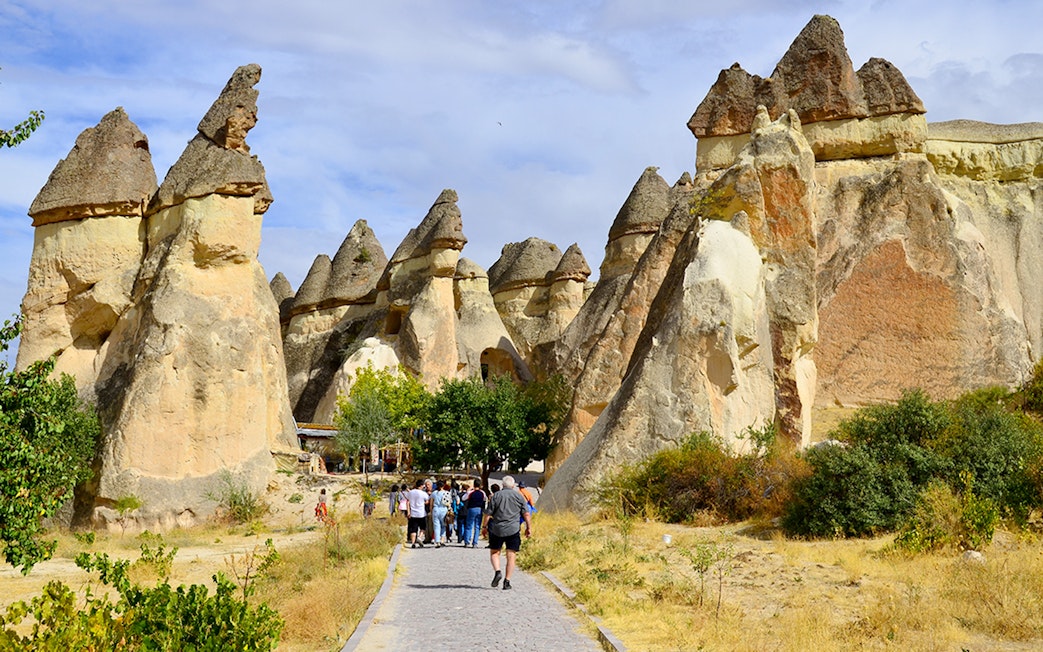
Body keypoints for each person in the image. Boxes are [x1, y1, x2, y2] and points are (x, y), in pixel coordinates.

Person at [481, 475, 532, 590]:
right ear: (513, 485)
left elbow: (488, 514)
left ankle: (498, 571)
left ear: (502, 485)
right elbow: (526, 513)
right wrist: (528, 528)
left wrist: (484, 527)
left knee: (494, 552)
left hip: (497, 528)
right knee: (511, 555)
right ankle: (507, 581)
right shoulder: (519, 497)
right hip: (513, 529)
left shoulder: (495, 496)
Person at [406, 479, 431, 548]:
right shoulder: (423, 494)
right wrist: (423, 503)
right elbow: (427, 501)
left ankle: (413, 543)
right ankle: (419, 537)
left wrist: (408, 511)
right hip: (421, 513)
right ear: (421, 486)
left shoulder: (411, 492)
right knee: (423, 528)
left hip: (413, 513)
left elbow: (407, 501)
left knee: (413, 529)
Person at [463, 480, 485, 548]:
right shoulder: (482, 493)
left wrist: (467, 491)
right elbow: (485, 500)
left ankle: (467, 541)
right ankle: (475, 542)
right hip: (479, 509)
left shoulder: (471, 492)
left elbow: (463, 498)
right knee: (477, 526)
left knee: (469, 525)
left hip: (471, 508)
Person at [431, 481, 452, 547]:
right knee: (444, 525)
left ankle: (437, 541)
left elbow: (431, 503)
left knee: (436, 526)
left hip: (436, 509)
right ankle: (442, 539)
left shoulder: (434, 493)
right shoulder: (447, 493)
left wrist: (431, 511)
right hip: (444, 509)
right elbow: (449, 503)